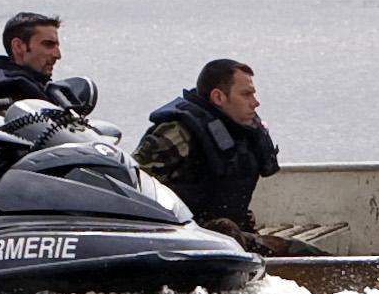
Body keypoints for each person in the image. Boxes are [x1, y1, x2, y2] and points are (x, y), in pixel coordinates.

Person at [134, 60, 319, 256]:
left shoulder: (245, 134)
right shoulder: (177, 133)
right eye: (246, 94)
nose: (255, 102)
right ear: (218, 97)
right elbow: (132, 184)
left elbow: (232, 194)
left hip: (230, 238)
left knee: (307, 253)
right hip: (185, 239)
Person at [0, 10, 74, 108]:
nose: (58, 55)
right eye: (48, 45)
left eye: (57, 46)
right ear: (18, 47)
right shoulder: (18, 89)